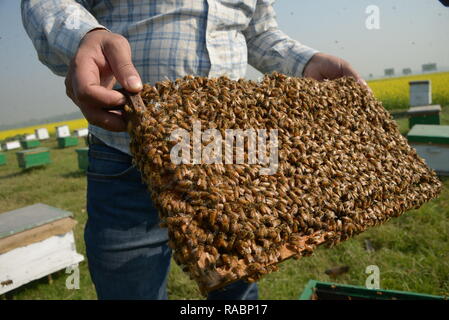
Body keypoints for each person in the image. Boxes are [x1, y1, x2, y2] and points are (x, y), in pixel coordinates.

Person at [21, 0, 366, 300]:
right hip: (127, 155)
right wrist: (83, 35)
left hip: (230, 161)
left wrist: (304, 62)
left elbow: (258, 32)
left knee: (240, 285)